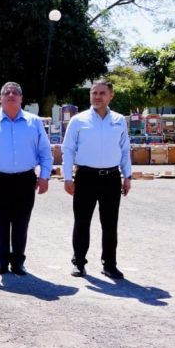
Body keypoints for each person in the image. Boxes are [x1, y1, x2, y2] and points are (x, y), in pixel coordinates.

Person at [0, 81, 53, 276]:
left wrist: (44, 176)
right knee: (0, 221)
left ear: (21, 98)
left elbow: (44, 151)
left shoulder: (34, 122)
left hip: (26, 179)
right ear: (0, 98)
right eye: (6, 92)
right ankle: (1, 260)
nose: (10, 95)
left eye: (15, 92)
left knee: (21, 222)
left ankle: (18, 261)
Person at [61, 79, 132, 279]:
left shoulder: (119, 120)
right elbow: (68, 150)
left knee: (110, 224)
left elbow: (125, 149)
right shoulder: (78, 120)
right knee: (82, 222)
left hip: (111, 178)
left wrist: (127, 176)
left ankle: (109, 264)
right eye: (94, 93)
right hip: (86, 177)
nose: (97, 97)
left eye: (102, 93)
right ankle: (79, 262)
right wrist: (67, 178)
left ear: (111, 96)